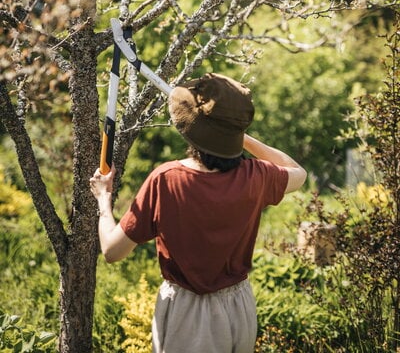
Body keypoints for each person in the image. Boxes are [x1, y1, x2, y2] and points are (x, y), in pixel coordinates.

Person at [90, 73, 307, 353]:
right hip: (239, 308)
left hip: (185, 311)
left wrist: (104, 199)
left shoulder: (166, 179)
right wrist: (238, 137)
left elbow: (112, 251)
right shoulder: (257, 175)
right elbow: (298, 172)